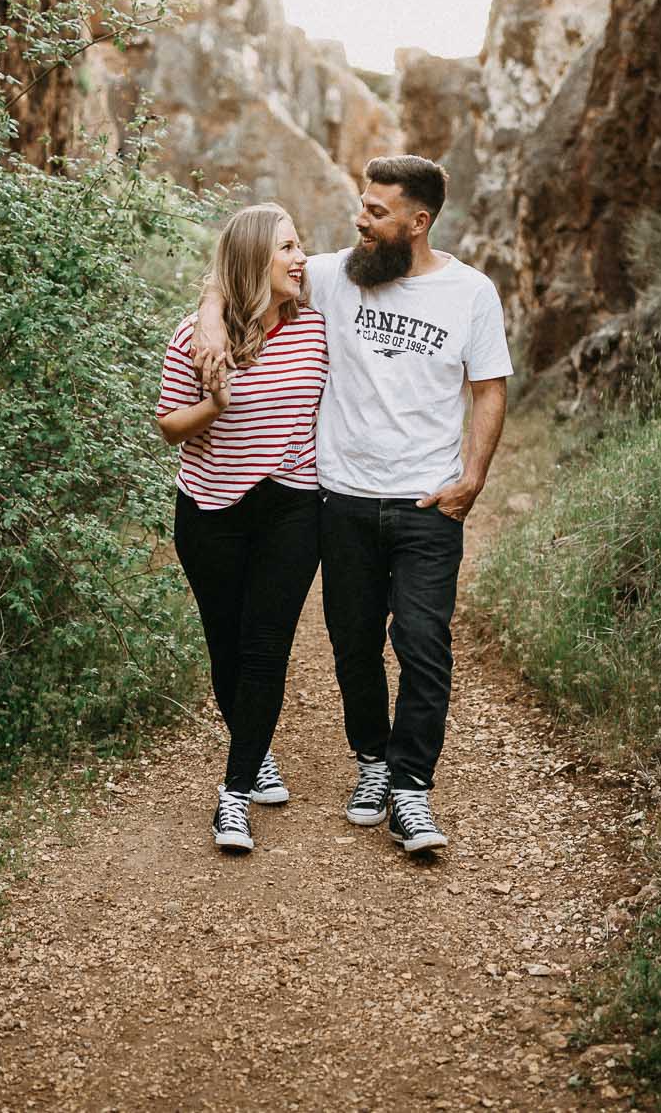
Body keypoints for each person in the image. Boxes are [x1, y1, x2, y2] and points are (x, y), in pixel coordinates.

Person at [195, 155, 510, 854]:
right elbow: (237, 267)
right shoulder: (337, 276)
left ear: (418, 221)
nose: (359, 221)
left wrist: (475, 477)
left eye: (376, 211)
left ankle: (411, 789)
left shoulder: (470, 293)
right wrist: (210, 318)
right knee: (353, 645)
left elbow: (488, 387)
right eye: (361, 206)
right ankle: (373, 761)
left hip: (428, 501)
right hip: (339, 500)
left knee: (423, 644)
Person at [155, 203, 328, 853]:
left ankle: (234, 791)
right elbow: (169, 424)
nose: (300, 257)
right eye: (285, 247)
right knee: (226, 647)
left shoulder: (315, 328)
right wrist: (215, 403)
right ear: (256, 259)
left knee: (265, 645)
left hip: (291, 506)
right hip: (208, 512)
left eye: (300, 243)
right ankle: (255, 748)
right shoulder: (194, 339)